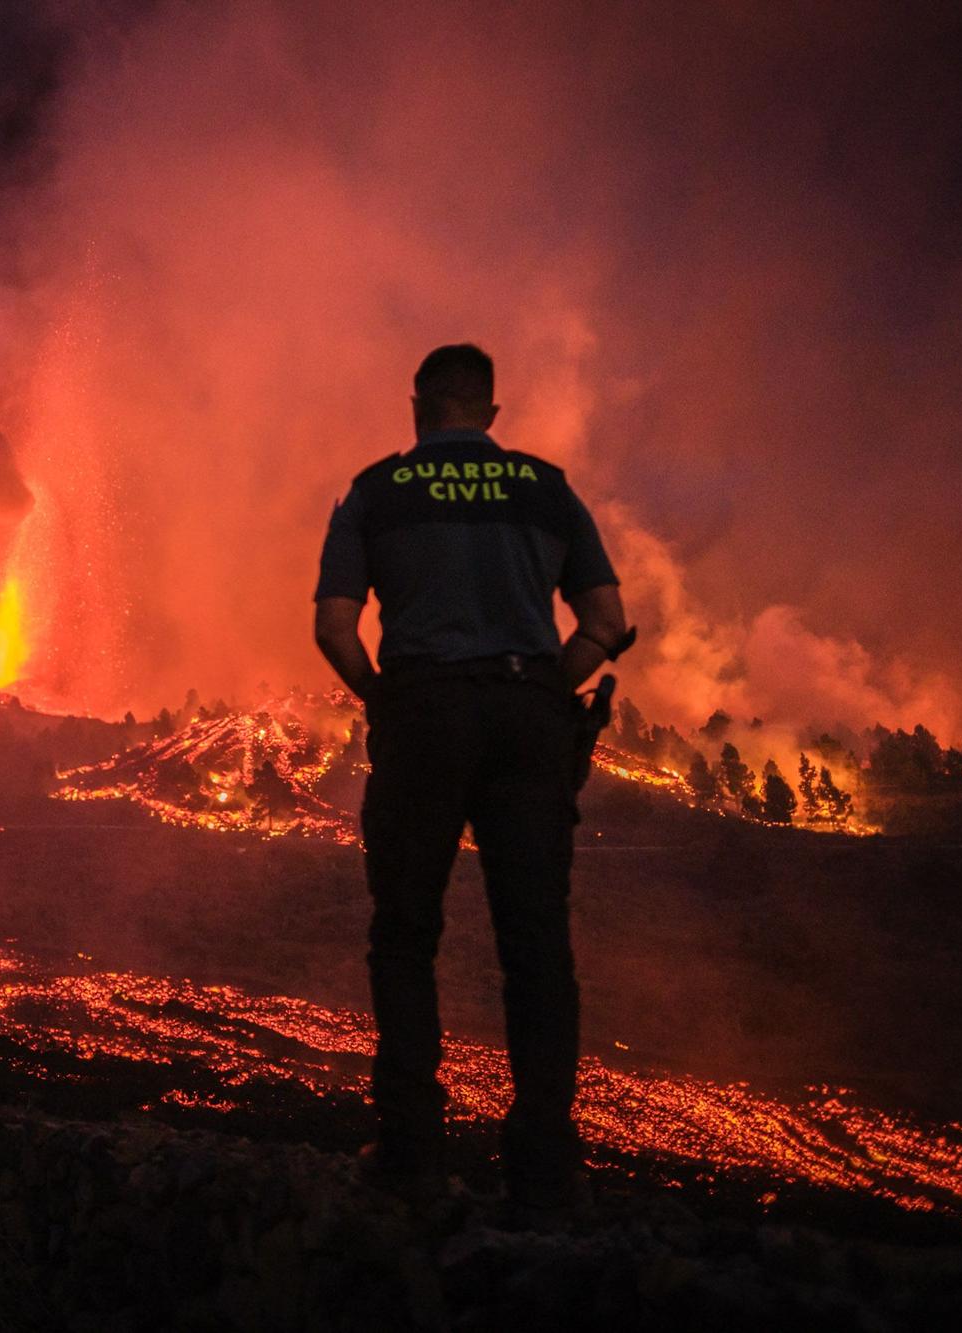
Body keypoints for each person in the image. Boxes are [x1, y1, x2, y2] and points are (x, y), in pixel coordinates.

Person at [312, 343, 630, 1219]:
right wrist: (542, 690)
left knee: (406, 934)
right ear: (490, 415)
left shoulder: (377, 490)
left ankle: (411, 1154)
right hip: (529, 715)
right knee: (536, 944)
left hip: (422, 712)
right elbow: (607, 619)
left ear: (418, 407)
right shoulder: (545, 486)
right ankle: (543, 1172)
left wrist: (386, 697)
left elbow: (335, 626)